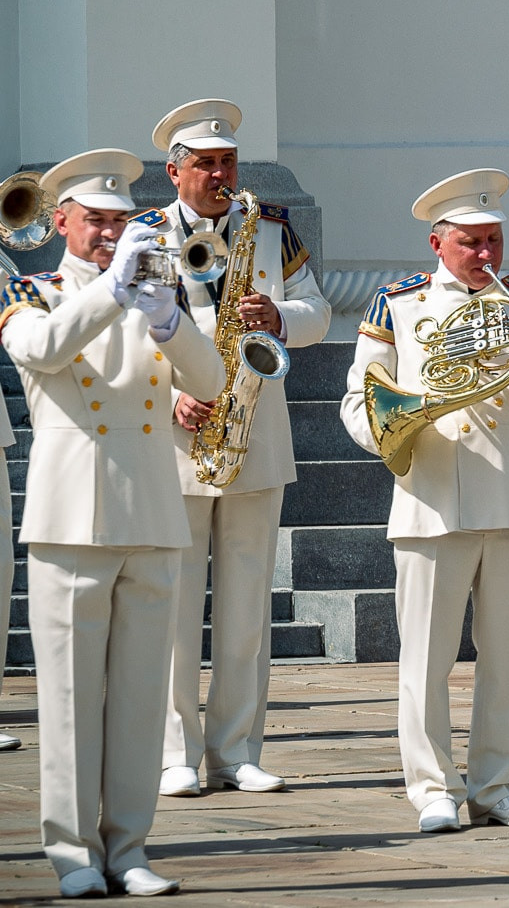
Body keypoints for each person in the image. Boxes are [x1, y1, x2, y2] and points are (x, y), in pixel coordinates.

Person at [4, 150, 221, 897]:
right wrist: (111, 288)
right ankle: (72, 856)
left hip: (152, 511)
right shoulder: (30, 290)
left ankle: (129, 848)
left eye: (120, 221)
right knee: (67, 701)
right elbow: (41, 348)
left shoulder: (155, 288)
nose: (108, 232)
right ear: (59, 221)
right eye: (94, 220)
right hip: (69, 520)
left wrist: (167, 317)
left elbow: (213, 379)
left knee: (136, 698)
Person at [339, 169, 509, 833]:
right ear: (437, 243)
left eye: (495, 240)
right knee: (426, 660)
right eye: (472, 242)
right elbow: (360, 401)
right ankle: (432, 789)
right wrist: (397, 426)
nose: (486, 256)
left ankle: (498, 787)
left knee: (507, 661)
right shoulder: (398, 305)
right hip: (434, 500)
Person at [141, 99, 330, 800]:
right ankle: (174, 756)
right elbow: (128, 336)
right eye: (205, 164)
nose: (219, 174)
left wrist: (281, 315)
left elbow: (320, 310)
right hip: (179, 440)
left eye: (227, 162)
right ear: (174, 172)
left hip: (255, 434)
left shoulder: (269, 230)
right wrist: (168, 397)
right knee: (175, 607)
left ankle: (237, 750)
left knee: (248, 605)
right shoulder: (149, 239)